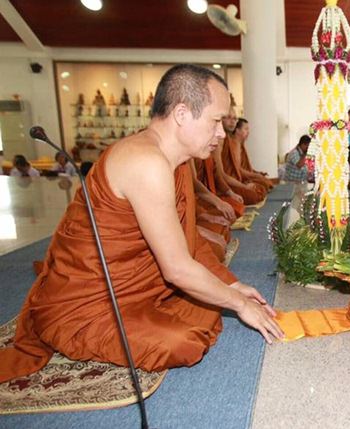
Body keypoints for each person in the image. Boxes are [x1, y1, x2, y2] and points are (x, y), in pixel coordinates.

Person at [0, 64, 283, 383]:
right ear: (181, 113)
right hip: (89, 301)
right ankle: (73, 332)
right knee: (183, 342)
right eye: (216, 121)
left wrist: (230, 285)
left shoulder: (174, 160)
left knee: (206, 309)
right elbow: (176, 268)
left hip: (138, 289)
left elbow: (187, 239)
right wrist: (240, 304)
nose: (221, 132)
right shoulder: (145, 161)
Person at [218, 114, 267, 205]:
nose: (248, 132)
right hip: (226, 185)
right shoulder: (222, 142)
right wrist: (245, 185)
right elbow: (222, 175)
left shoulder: (232, 142)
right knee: (256, 192)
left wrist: (256, 174)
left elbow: (238, 168)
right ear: (237, 130)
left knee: (262, 186)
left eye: (234, 119)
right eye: (246, 129)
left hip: (234, 181)